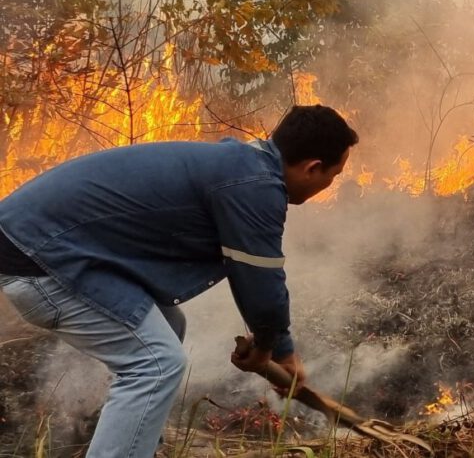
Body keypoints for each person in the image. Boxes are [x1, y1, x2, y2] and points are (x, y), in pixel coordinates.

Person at [0, 104, 357, 458]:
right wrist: (272, 348)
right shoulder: (255, 185)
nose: (329, 185)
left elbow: (253, 276)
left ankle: (136, 447)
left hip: (38, 245)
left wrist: (278, 348)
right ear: (313, 168)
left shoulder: (244, 168)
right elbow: (261, 283)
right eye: (334, 176)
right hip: (36, 258)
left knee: (169, 327)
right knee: (156, 364)